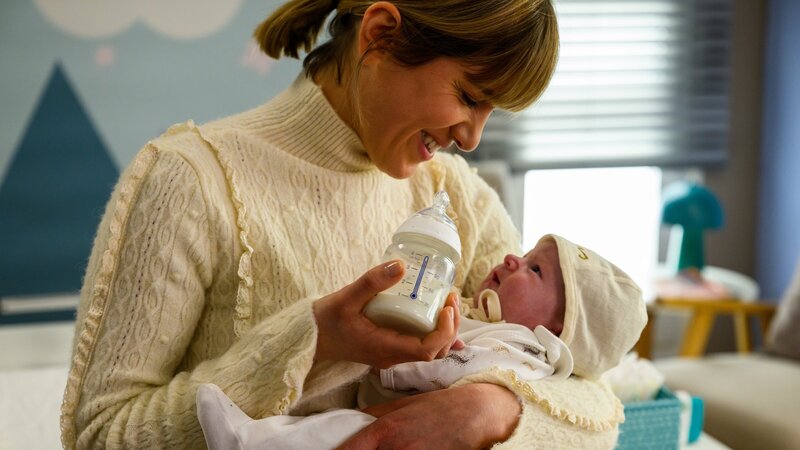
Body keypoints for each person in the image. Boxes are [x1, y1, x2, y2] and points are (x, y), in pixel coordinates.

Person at [59, 0, 627, 448]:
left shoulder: (458, 198)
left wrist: (492, 409)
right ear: (381, 35)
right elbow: (99, 435)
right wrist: (312, 343)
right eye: (469, 96)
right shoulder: (189, 182)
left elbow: (591, 396)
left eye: (491, 111)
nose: (472, 137)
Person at [195, 233, 648, 449]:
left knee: (335, 432)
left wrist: (399, 361)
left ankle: (247, 442)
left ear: (559, 330)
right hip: (390, 421)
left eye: (534, 269)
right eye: (526, 253)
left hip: (393, 431)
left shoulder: (523, 352)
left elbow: (459, 368)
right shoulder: (490, 320)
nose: (512, 256)